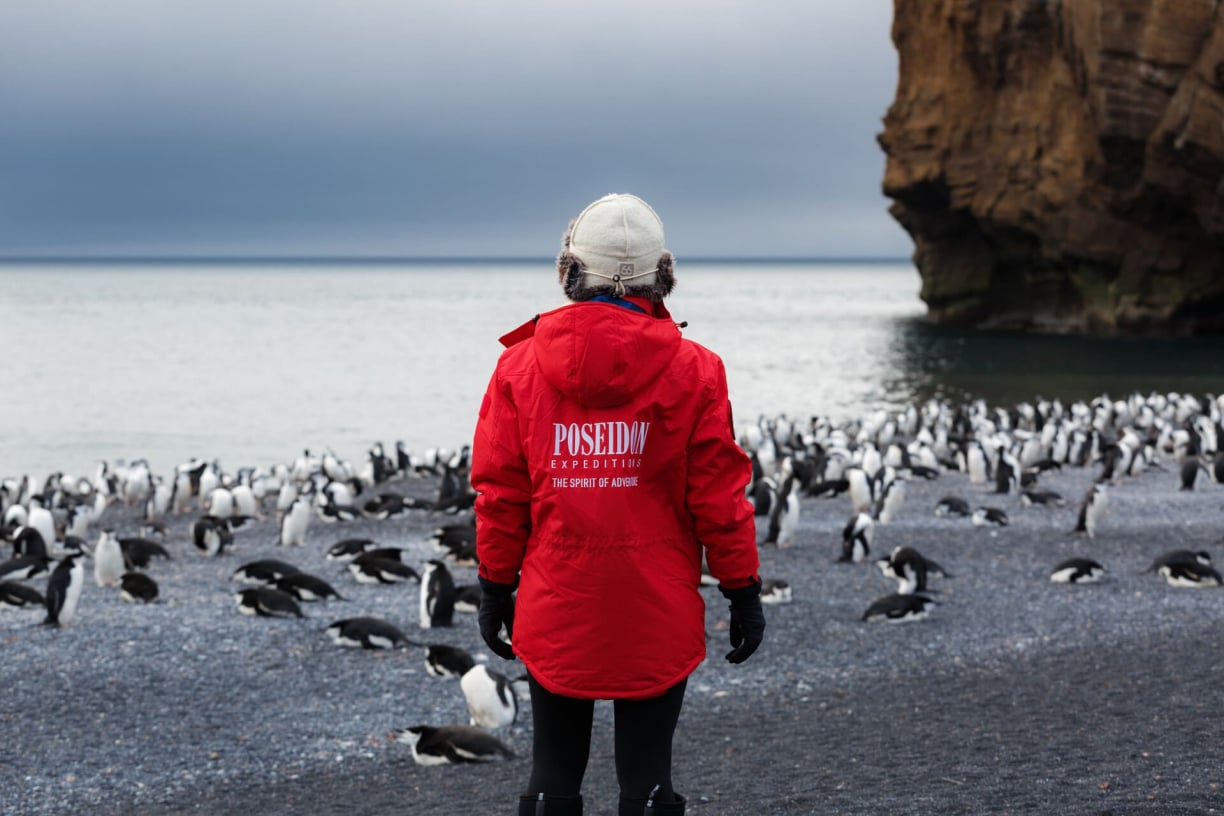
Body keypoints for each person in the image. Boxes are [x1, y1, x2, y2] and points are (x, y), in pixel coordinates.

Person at [471, 193, 765, 816]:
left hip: (557, 601)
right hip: (656, 604)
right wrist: (741, 589)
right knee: (648, 777)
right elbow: (719, 498)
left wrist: (496, 586)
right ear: (664, 274)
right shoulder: (697, 370)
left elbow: (500, 495)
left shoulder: (518, 368)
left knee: (553, 772)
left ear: (570, 271)